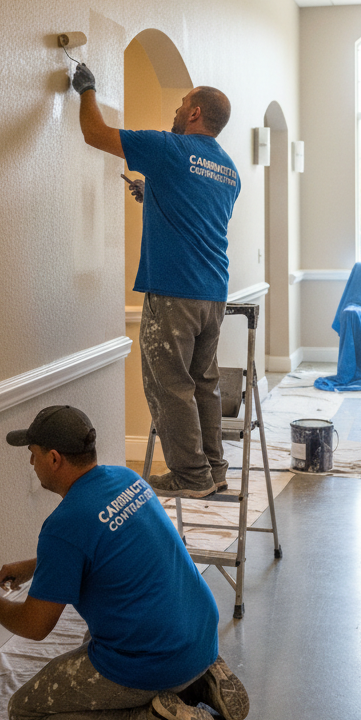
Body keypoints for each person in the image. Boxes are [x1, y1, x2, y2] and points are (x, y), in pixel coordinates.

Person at [0, 404, 250, 720]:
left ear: (54, 459)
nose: (30, 463)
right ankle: (200, 681)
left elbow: (35, 626)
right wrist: (37, 566)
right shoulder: (126, 479)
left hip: (158, 658)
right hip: (201, 632)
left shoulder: (63, 525)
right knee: (91, 637)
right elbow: (101, 546)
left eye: (32, 454)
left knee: (25, 713)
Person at [70, 61, 240, 498]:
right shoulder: (228, 169)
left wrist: (87, 90)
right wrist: (154, 193)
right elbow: (198, 212)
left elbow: (94, 133)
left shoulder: (170, 149)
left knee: (169, 384)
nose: (178, 110)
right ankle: (214, 470)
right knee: (202, 382)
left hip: (174, 290)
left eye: (183, 103)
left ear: (196, 113)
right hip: (212, 293)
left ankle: (190, 476)